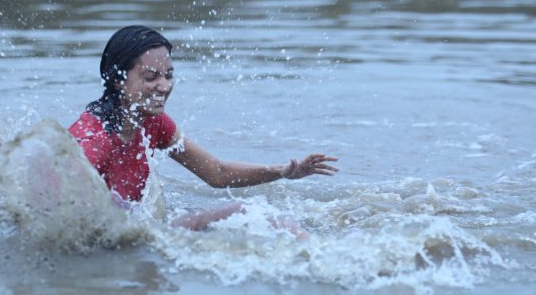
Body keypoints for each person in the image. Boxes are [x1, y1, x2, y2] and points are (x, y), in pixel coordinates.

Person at [68, 25, 338, 231]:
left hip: (135, 231)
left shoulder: (151, 122)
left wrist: (282, 171)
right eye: (150, 77)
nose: (164, 86)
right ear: (117, 80)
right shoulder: (91, 142)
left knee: (249, 213)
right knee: (240, 210)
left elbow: (217, 173)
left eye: (168, 75)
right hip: (110, 245)